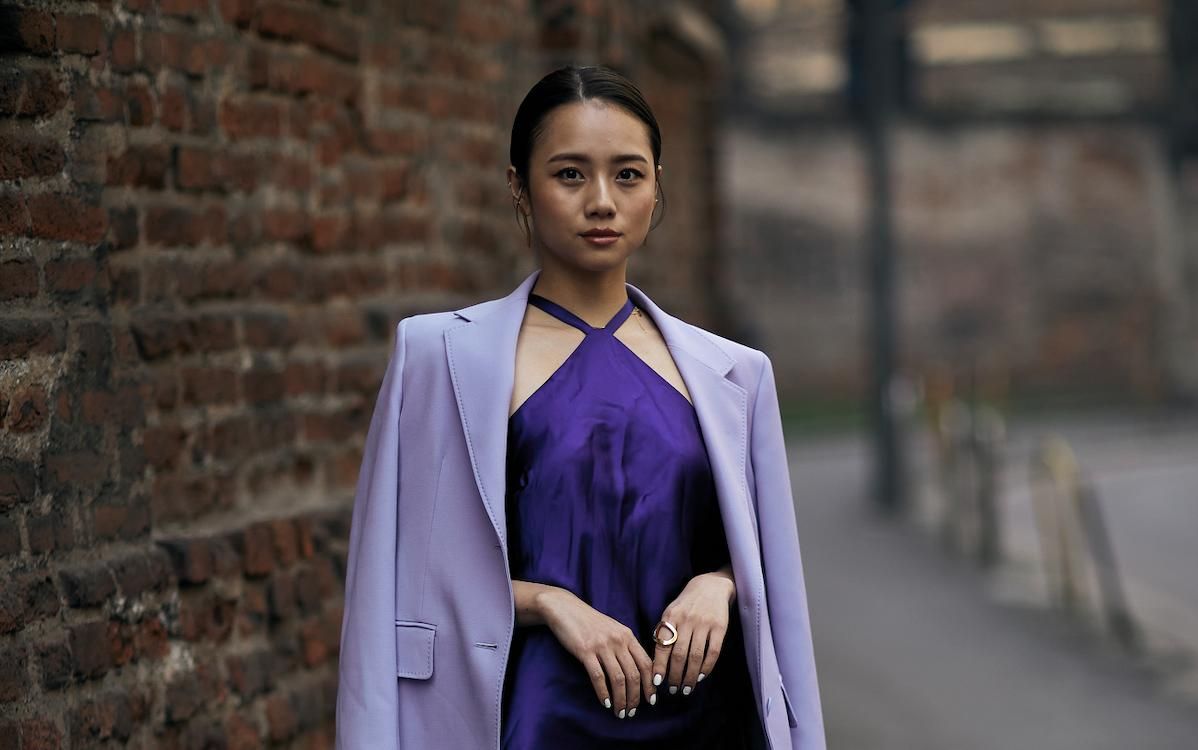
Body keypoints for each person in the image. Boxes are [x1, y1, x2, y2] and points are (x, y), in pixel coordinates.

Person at [335, 64, 826, 750]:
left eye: (628, 174)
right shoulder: (438, 357)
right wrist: (551, 602)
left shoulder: (737, 375)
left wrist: (719, 586)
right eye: (570, 174)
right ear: (519, 188)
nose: (602, 200)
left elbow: (771, 564)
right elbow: (402, 581)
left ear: (658, 189)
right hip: (530, 717)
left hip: (707, 715)